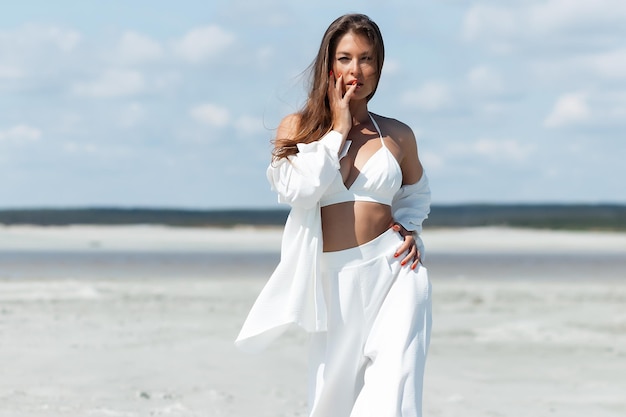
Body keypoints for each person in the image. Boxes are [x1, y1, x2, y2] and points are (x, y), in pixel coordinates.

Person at [236, 13, 432, 417]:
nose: (355, 70)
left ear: (379, 67)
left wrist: (410, 227)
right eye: (345, 58)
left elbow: (416, 193)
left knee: (394, 384)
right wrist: (337, 130)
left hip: (394, 270)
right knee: (331, 398)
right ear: (329, 64)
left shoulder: (397, 134)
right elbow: (300, 190)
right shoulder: (297, 127)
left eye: (367, 59)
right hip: (333, 279)